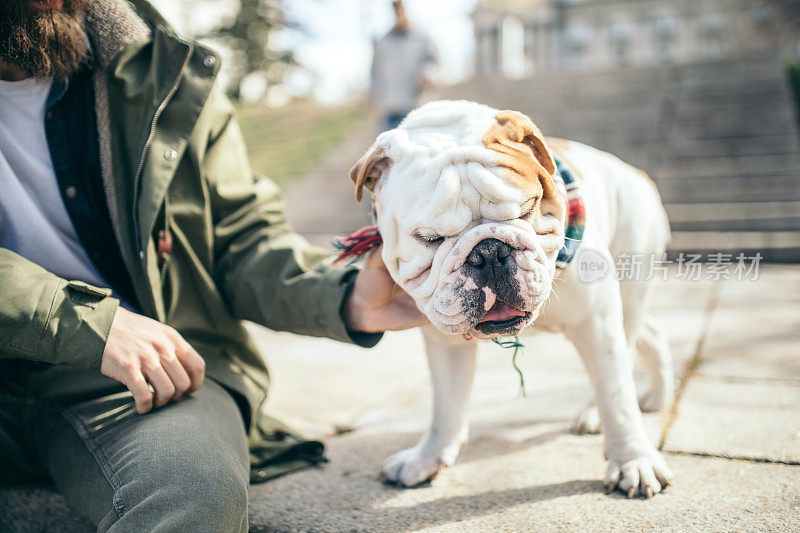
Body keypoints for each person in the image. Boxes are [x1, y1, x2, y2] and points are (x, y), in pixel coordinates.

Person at [0, 0, 422, 530]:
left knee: (195, 493)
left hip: (132, 383)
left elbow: (237, 233)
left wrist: (342, 296)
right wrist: (83, 323)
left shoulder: (160, 65)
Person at [370, 0, 438, 131]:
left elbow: (432, 63)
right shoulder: (383, 42)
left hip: (415, 106)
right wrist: (374, 95)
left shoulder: (421, 39)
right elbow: (374, 72)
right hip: (389, 108)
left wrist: (427, 75)